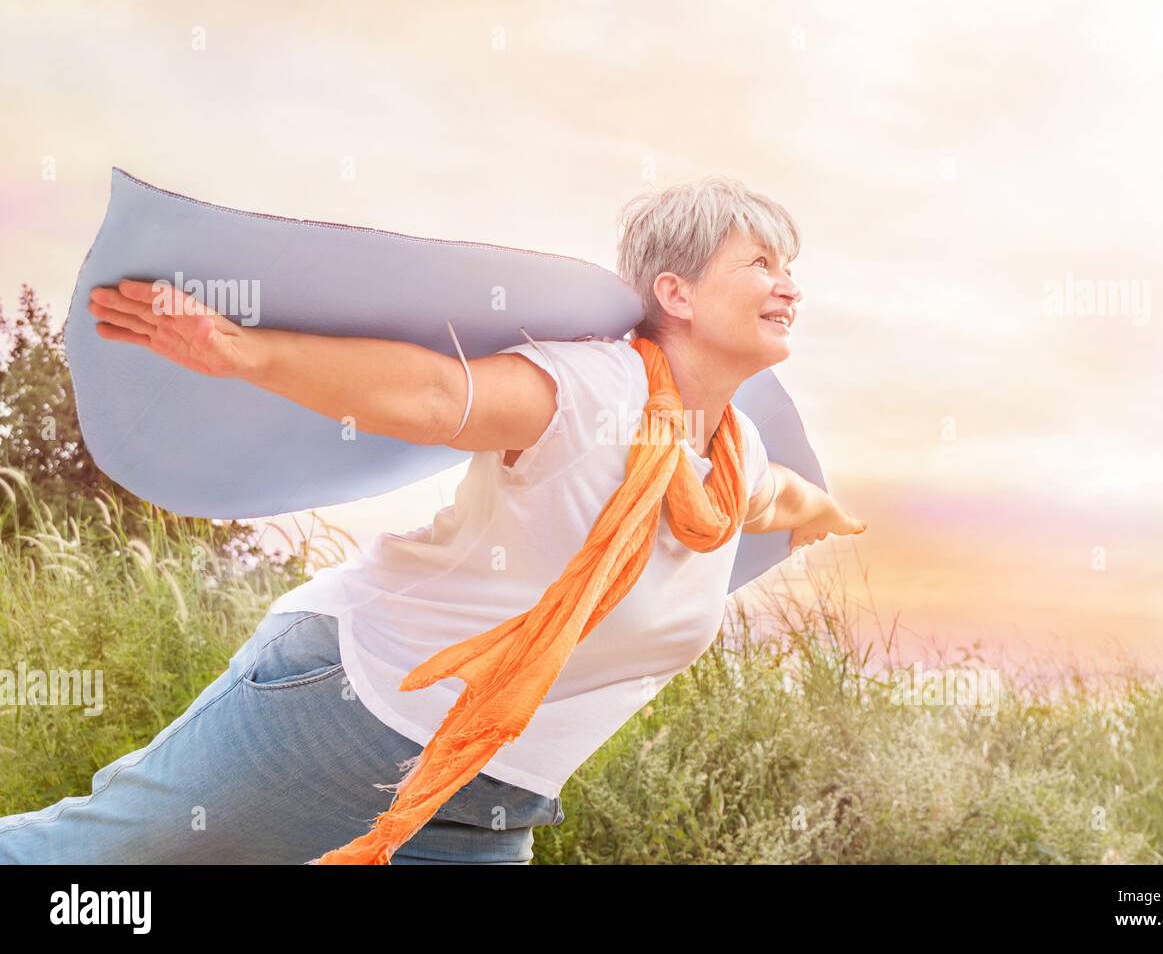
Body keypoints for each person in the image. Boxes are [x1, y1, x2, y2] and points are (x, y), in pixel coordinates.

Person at [0, 175, 863, 864]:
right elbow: (434, 391)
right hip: (350, 710)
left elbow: (779, 497)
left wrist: (828, 513)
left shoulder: (734, 453)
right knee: (90, 867)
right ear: (674, 290)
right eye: (761, 263)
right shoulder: (599, 388)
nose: (788, 286)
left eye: (790, 268)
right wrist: (245, 353)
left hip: (487, 797)